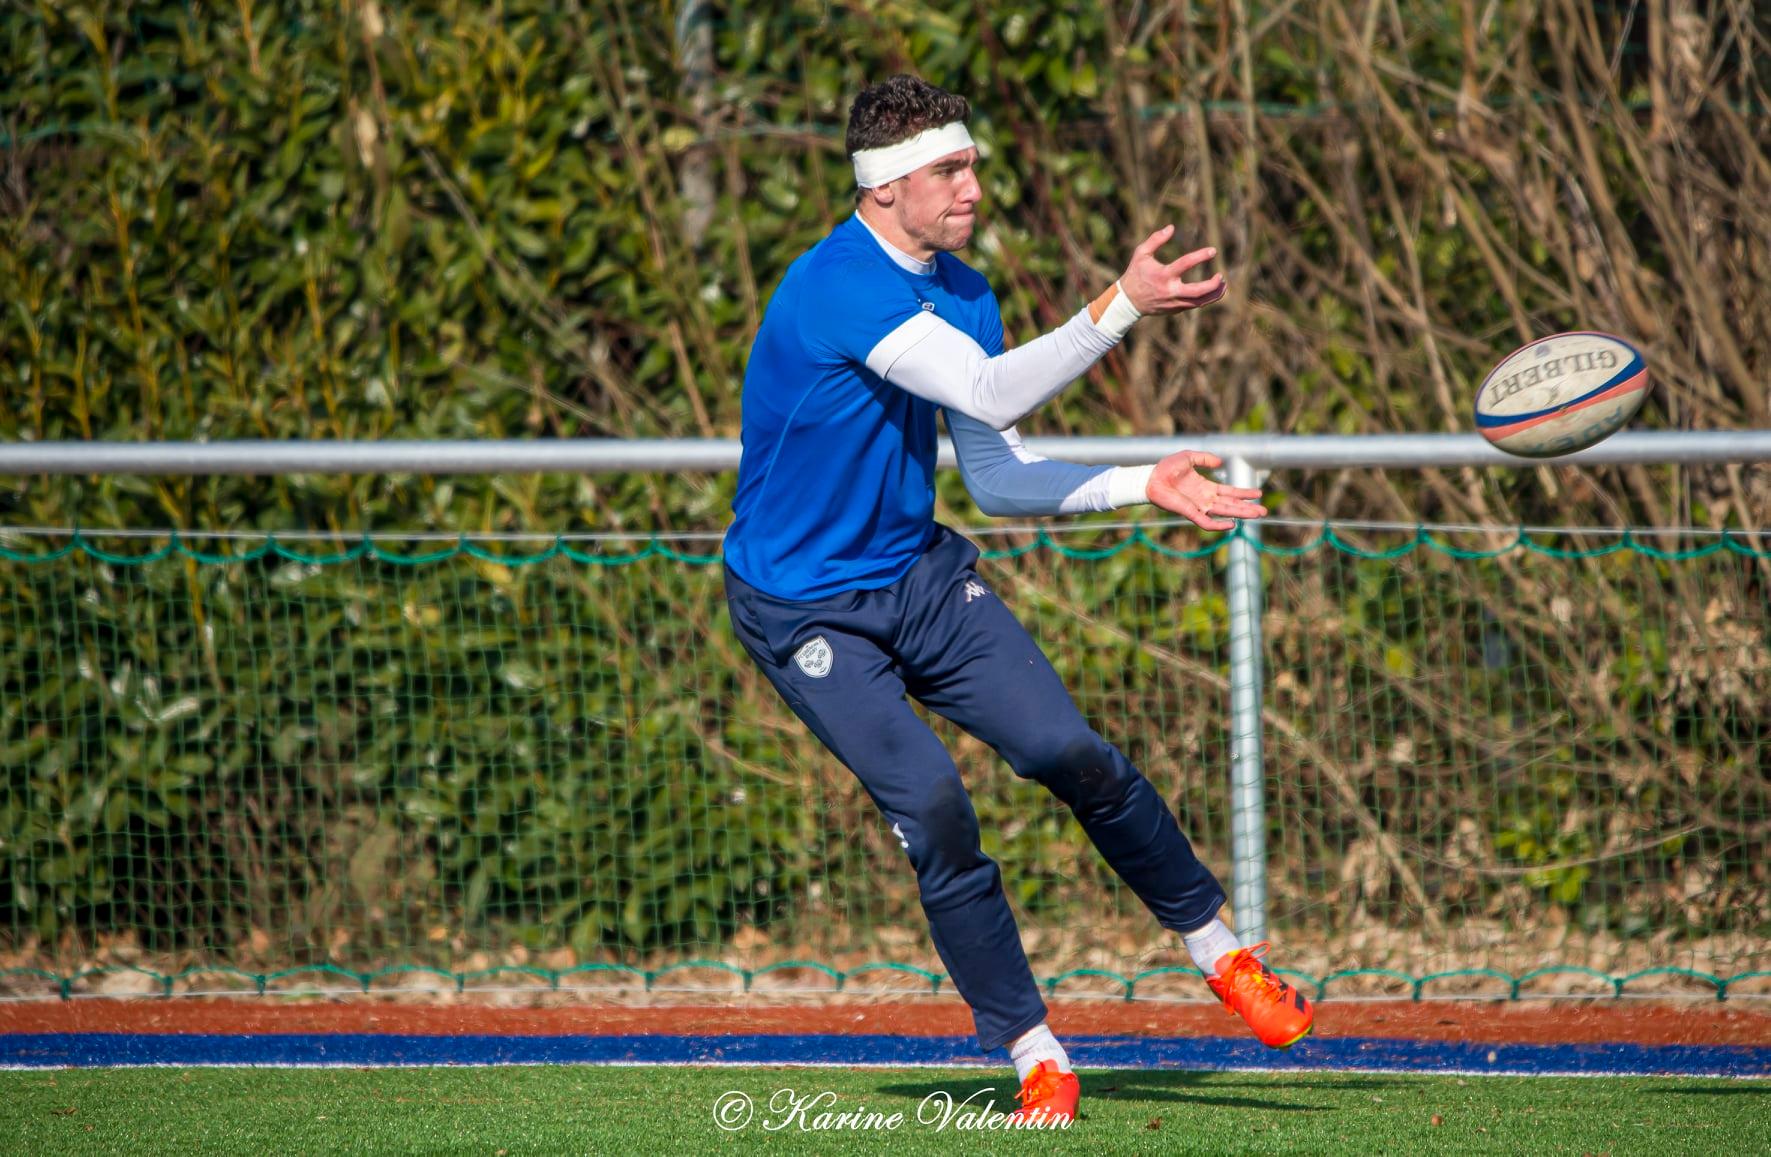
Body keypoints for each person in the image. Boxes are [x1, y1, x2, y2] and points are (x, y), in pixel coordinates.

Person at [722, 74, 1313, 1125]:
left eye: (973, 163)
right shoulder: (836, 285)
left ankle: (1221, 953)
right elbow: (994, 389)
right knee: (936, 807)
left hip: (920, 578)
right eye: (949, 168)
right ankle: (1035, 1051)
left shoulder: (963, 289)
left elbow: (995, 473)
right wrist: (1121, 303)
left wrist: (1146, 483)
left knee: (1068, 751)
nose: (972, 184)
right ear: (885, 186)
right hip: (804, 610)